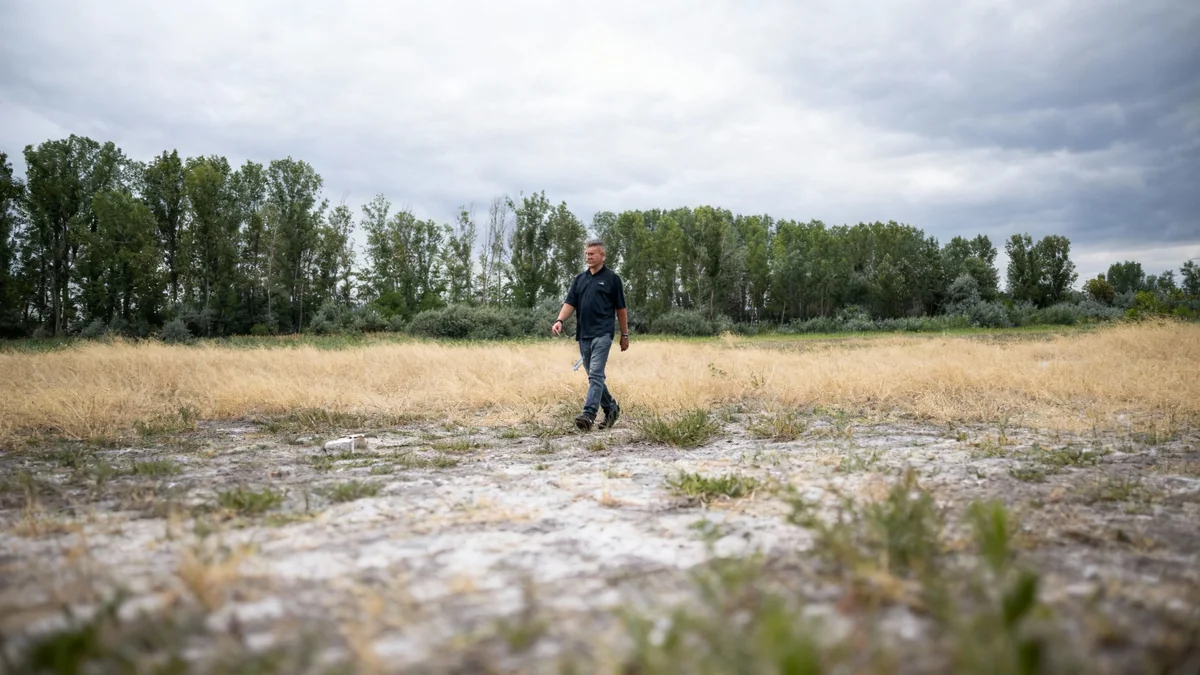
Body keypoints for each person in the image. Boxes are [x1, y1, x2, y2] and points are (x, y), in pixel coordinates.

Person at [551, 238, 629, 431]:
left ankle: (589, 414)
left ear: (602, 255)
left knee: (595, 374)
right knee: (595, 377)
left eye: (592, 254)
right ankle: (611, 408)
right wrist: (560, 320)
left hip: (603, 333)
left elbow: (621, 309)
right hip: (583, 335)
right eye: (586, 254)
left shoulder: (612, 279)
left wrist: (624, 334)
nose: (588, 257)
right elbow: (570, 303)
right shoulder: (580, 279)